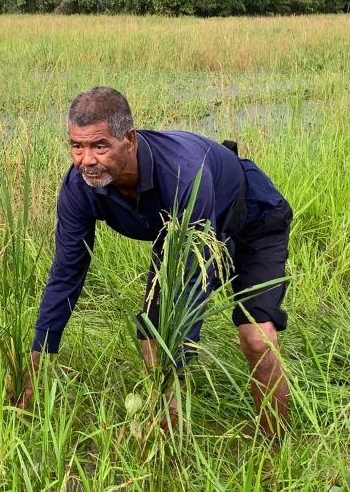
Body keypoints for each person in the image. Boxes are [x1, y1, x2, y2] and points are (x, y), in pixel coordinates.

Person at [20, 87, 292, 436]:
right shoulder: (79, 187)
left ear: (129, 140)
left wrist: (176, 373)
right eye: (77, 146)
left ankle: (275, 446)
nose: (86, 160)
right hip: (180, 231)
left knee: (256, 336)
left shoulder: (183, 173)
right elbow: (66, 272)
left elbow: (194, 279)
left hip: (253, 221)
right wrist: (37, 360)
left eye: (99, 146)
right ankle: (166, 425)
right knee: (152, 329)